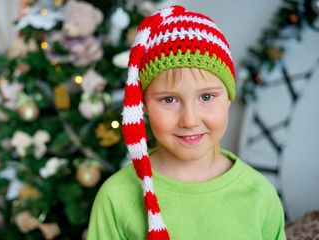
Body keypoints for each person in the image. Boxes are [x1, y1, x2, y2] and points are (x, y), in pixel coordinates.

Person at [87, 5, 286, 240]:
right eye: (169, 99)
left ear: (229, 97)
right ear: (144, 106)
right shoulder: (117, 197)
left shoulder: (259, 194)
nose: (190, 120)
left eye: (206, 97)